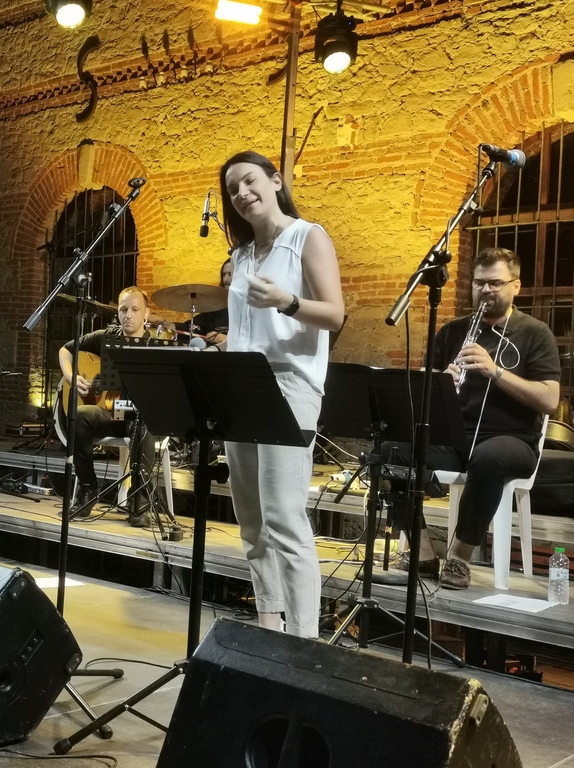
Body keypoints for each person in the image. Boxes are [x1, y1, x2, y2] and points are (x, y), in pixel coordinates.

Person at [211, 151, 345, 638]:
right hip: (241, 386)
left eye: (249, 181)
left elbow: (335, 314)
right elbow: (249, 329)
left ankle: (304, 639)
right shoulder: (241, 256)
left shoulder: (307, 236)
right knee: (250, 520)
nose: (242, 194)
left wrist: (286, 301)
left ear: (274, 181)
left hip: (290, 385)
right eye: (233, 190)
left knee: (285, 517)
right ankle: (268, 623)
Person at [393, 247, 560, 589]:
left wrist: (494, 371)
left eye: (495, 283)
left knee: (489, 458)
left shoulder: (535, 333)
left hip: (511, 439)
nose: (486, 290)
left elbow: (549, 400)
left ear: (516, 286)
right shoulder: (453, 331)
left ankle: (459, 557)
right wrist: (439, 382)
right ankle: (422, 553)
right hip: (455, 437)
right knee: (393, 451)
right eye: (479, 283)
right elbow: (422, 387)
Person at [58, 285, 160, 528]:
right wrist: (71, 377)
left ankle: (139, 499)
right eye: (123, 310)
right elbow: (66, 349)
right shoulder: (106, 337)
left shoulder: (155, 346)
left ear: (146, 314)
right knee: (78, 415)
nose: (128, 315)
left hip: (138, 418)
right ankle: (88, 488)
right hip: (110, 412)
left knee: (143, 423)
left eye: (135, 310)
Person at [192, 257, 232, 345]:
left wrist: (228, 339)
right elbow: (194, 326)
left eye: (230, 274)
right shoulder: (217, 307)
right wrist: (167, 324)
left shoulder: (253, 306)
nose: (225, 279)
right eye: (224, 275)